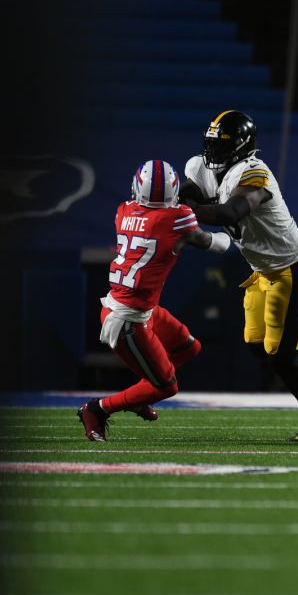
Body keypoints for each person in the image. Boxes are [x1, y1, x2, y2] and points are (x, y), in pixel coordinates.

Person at [184, 110, 298, 442]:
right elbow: (189, 190)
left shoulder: (256, 174)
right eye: (211, 144)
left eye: (222, 146)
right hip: (263, 271)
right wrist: (179, 201)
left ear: (242, 147)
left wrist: (182, 211)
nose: (213, 153)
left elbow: (231, 211)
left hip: (295, 267)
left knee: (282, 356)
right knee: (258, 345)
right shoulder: (202, 168)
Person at [78, 159, 235, 442]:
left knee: (189, 348)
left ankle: (138, 398)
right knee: (166, 387)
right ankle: (96, 409)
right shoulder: (178, 217)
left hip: (139, 309)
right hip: (129, 320)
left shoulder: (122, 211)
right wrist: (233, 231)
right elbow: (215, 244)